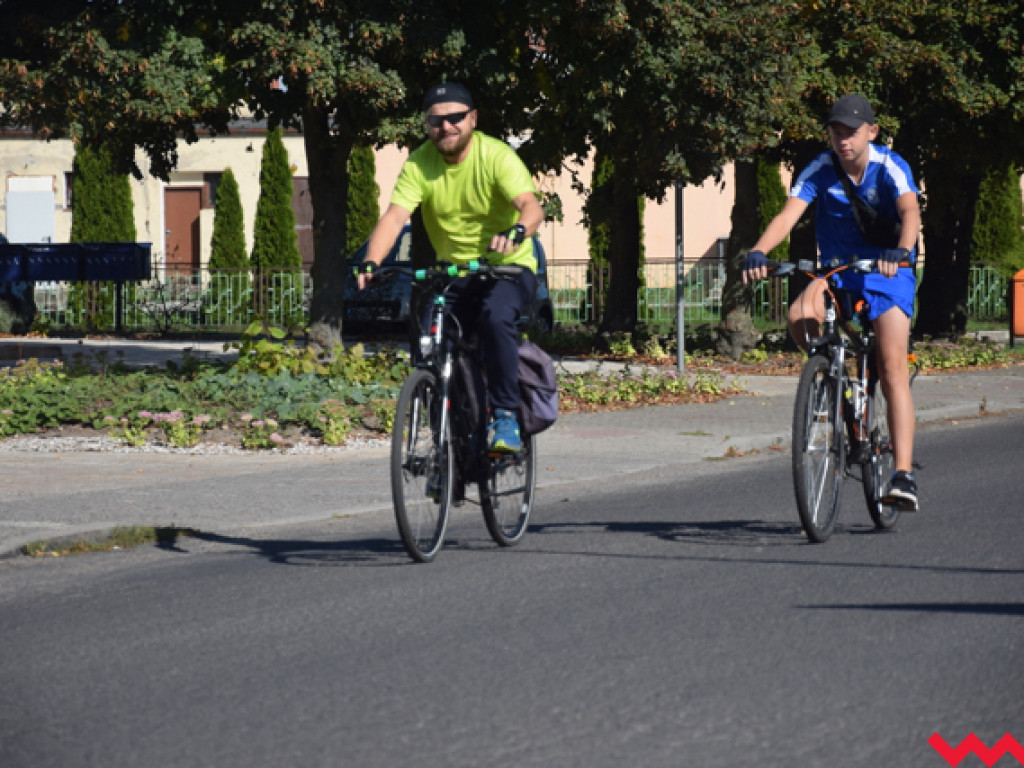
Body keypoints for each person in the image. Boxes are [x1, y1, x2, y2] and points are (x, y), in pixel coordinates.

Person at [742, 94, 922, 511]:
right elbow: (789, 215)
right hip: (839, 271)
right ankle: (833, 381)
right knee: (799, 315)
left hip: (887, 270)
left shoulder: (889, 166)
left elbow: (910, 210)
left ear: (871, 132)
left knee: (893, 364)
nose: (843, 141)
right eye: (836, 132)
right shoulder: (820, 169)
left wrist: (901, 249)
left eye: (852, 133)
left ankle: (903, 474)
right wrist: (758, 252)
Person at [356, 82, 545, 453]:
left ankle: (505, 415)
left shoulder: (495, 156)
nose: (446, 127)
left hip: (506, 268)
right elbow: (396, 217)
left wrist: (517, 231)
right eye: (436, 121)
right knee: (431, 336)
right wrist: (371, 261)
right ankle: (450, 440)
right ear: (427, 124)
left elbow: (531, 205)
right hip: (455, 271)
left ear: (472, 119)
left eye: (456, 118)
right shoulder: (419, 163)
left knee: (494, 317)